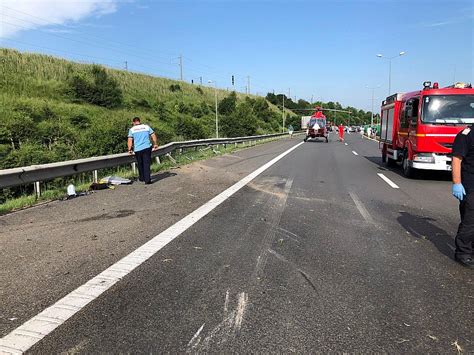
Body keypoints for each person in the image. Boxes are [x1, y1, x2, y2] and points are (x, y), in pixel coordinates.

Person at [451, 126, 474, 268]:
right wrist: (457, 183)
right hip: (470, 185)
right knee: (470, 221)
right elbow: (456, 159)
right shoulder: (466, 134)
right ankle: (463, 253)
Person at [127, 117, 159, 184]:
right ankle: (147, 180)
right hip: (147, 147)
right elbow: (153, 135)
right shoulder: (146, 127)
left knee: (140, 163)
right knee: (146, 163)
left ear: (133, 122)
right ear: (139, 121)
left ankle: (142, 178)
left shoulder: (132, 129)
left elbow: (130, 140)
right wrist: (155, 144)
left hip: (138, 149)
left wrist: (129, 149)